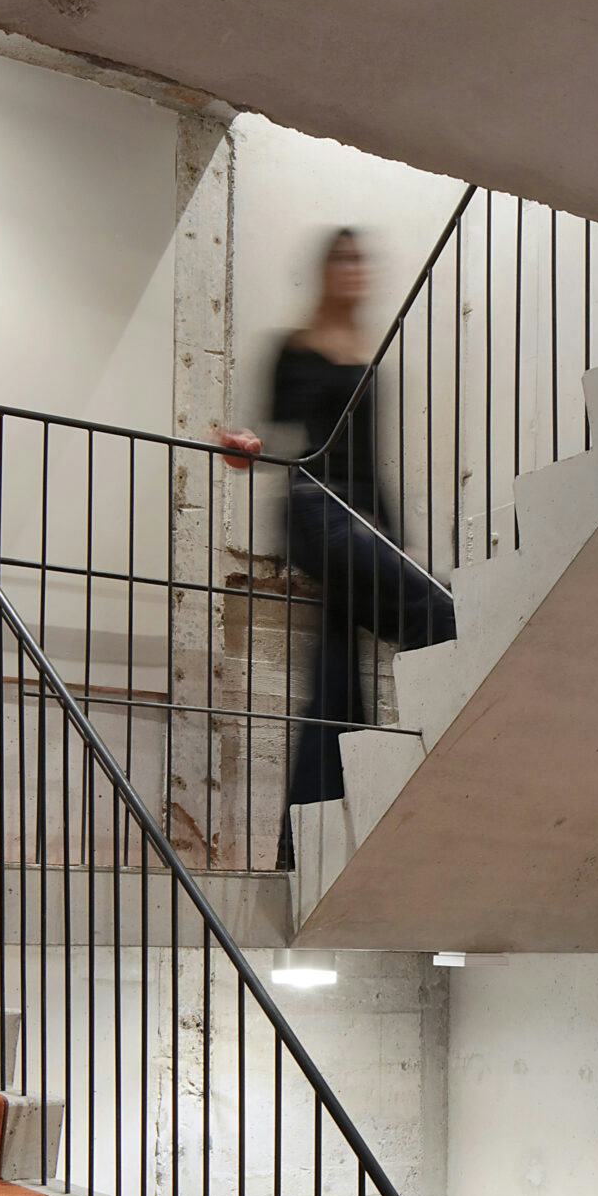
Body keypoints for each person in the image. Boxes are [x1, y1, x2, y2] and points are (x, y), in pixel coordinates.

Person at [219, 228, 456, 868]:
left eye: (360, 260)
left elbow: (373, 463)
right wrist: (242, 444)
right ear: (325, 270)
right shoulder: (296, 347)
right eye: (342, 259)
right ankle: (444, 749)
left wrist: (399, 543)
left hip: (357, 517)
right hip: (314, 510)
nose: (354, 270)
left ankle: (303, 844)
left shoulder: (366, 357)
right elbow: (273, 435)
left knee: (336, 683)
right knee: (441, 613)